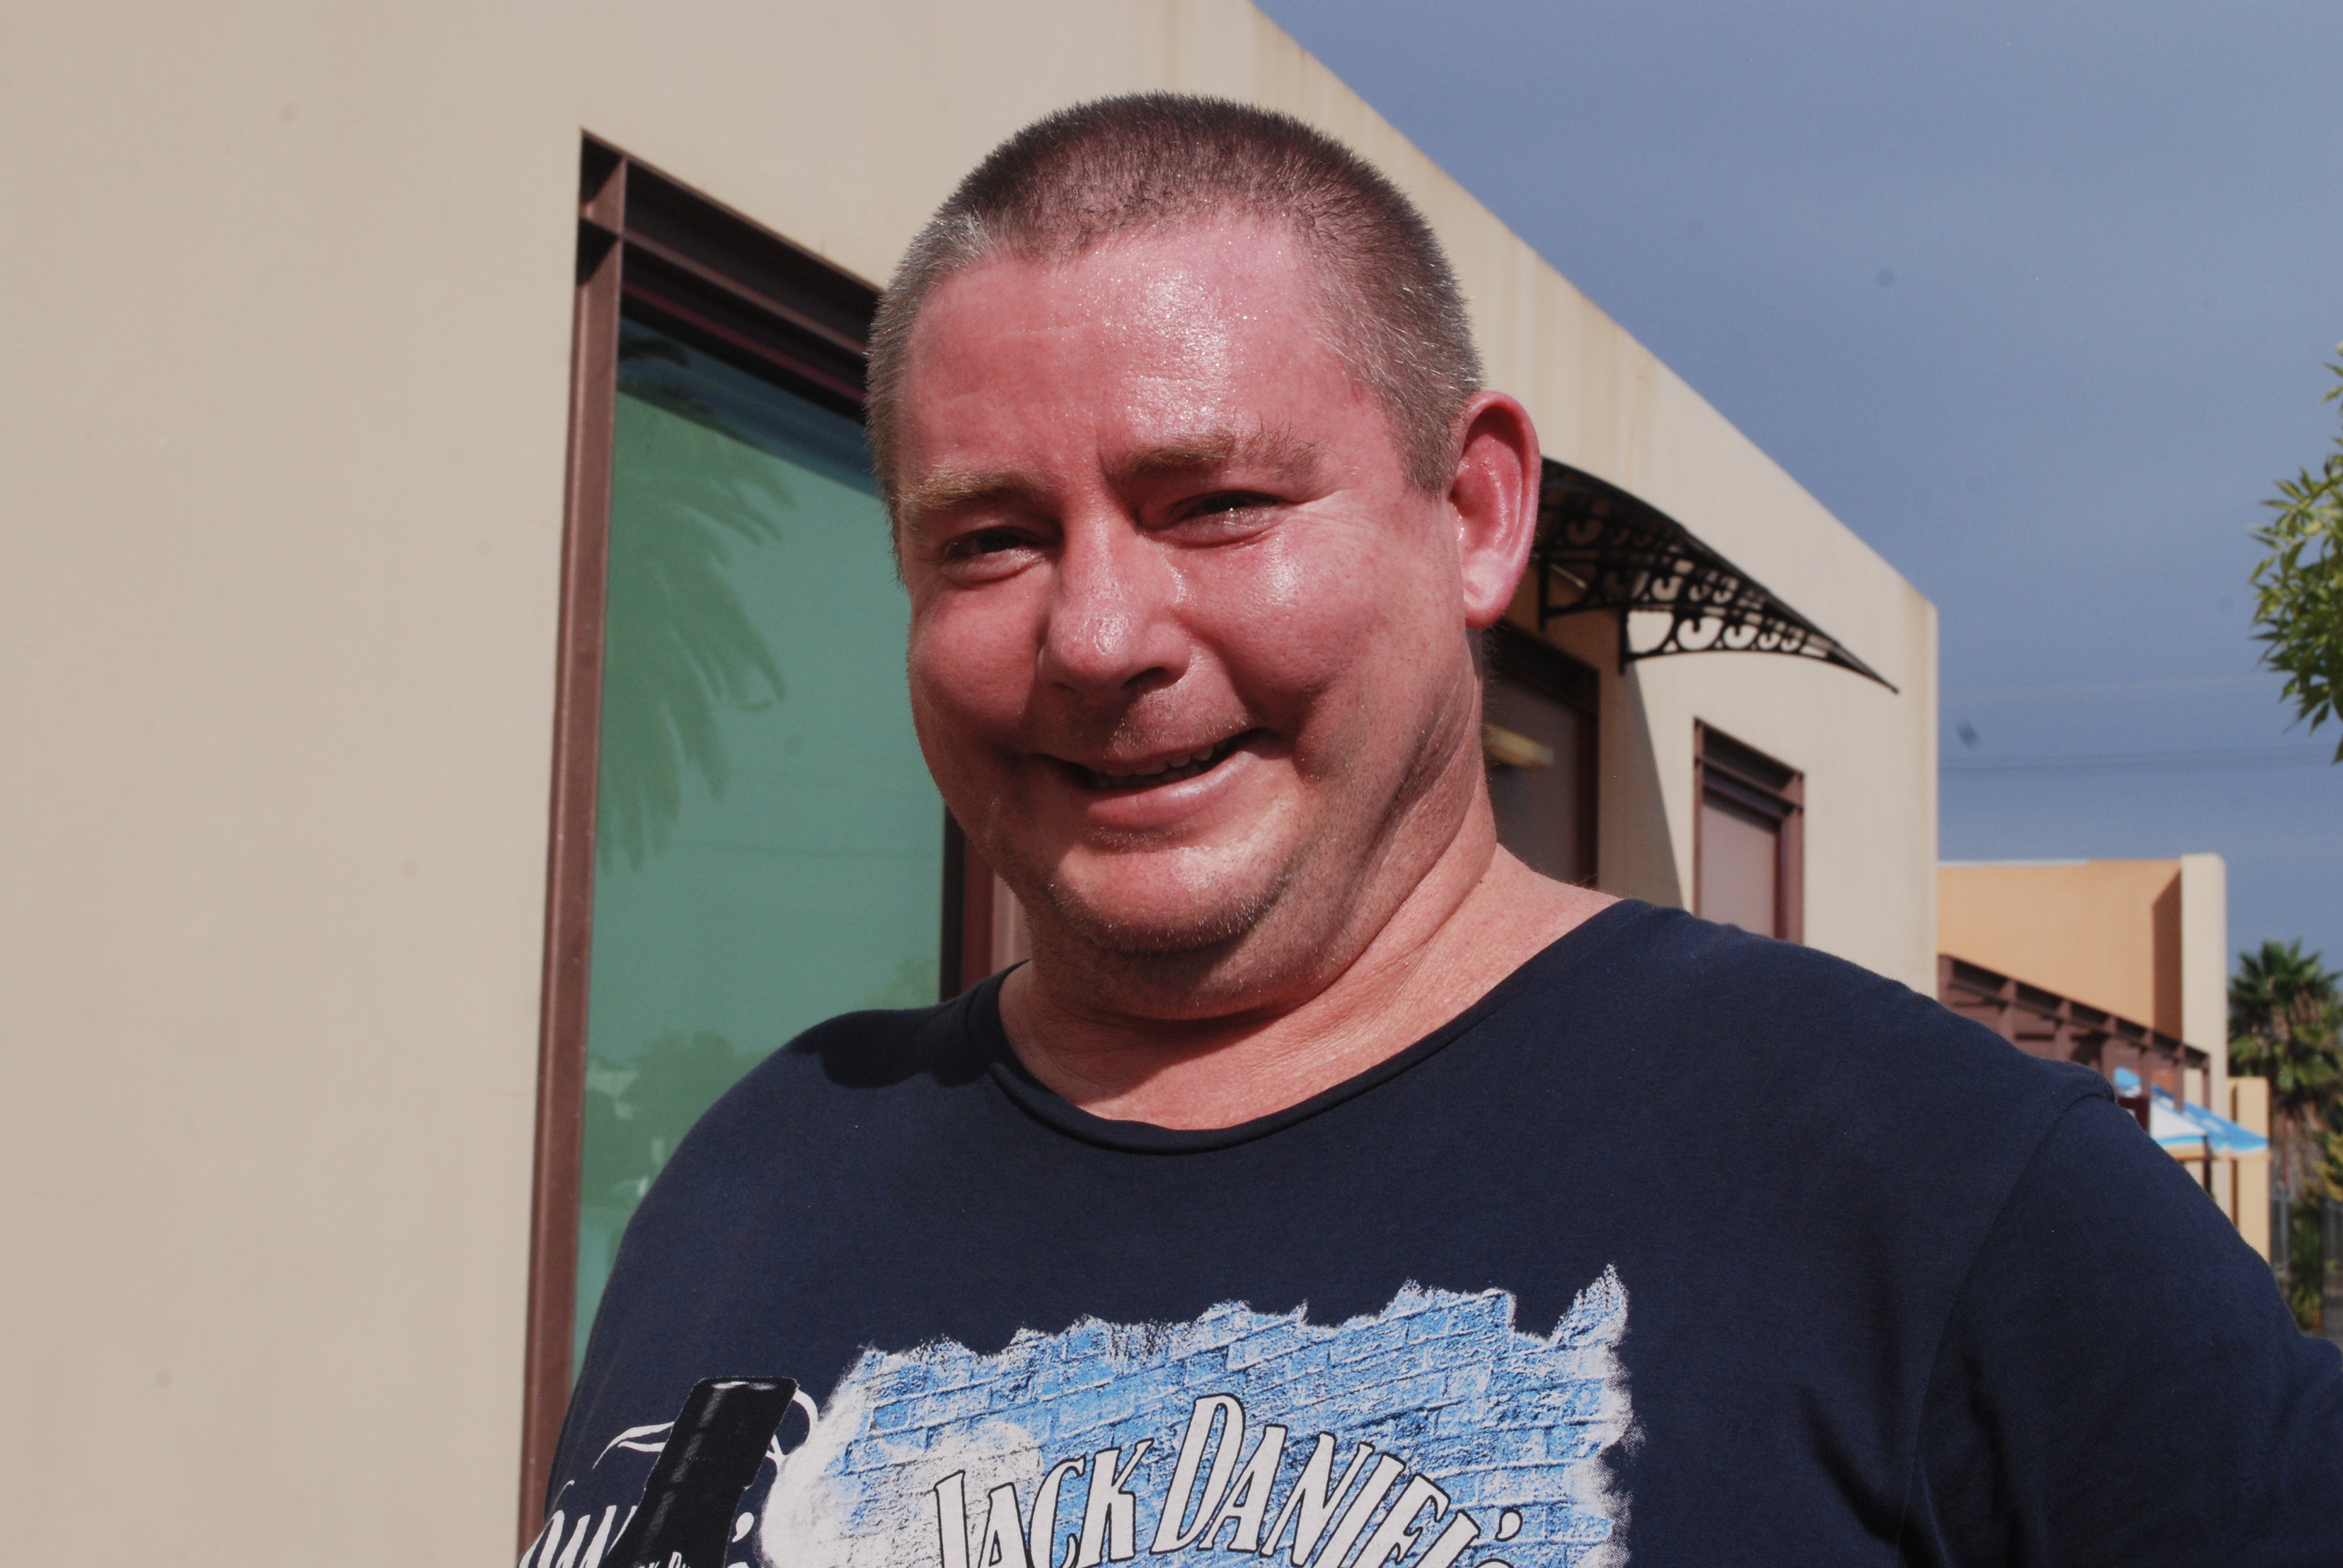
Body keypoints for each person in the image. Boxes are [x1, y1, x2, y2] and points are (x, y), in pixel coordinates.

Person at [530, 96, 2343, 1568]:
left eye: (1215, 504)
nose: (1098, 635)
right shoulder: (764, 1171)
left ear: (1474, 515)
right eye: (990, 539)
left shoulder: (1935, 1193)